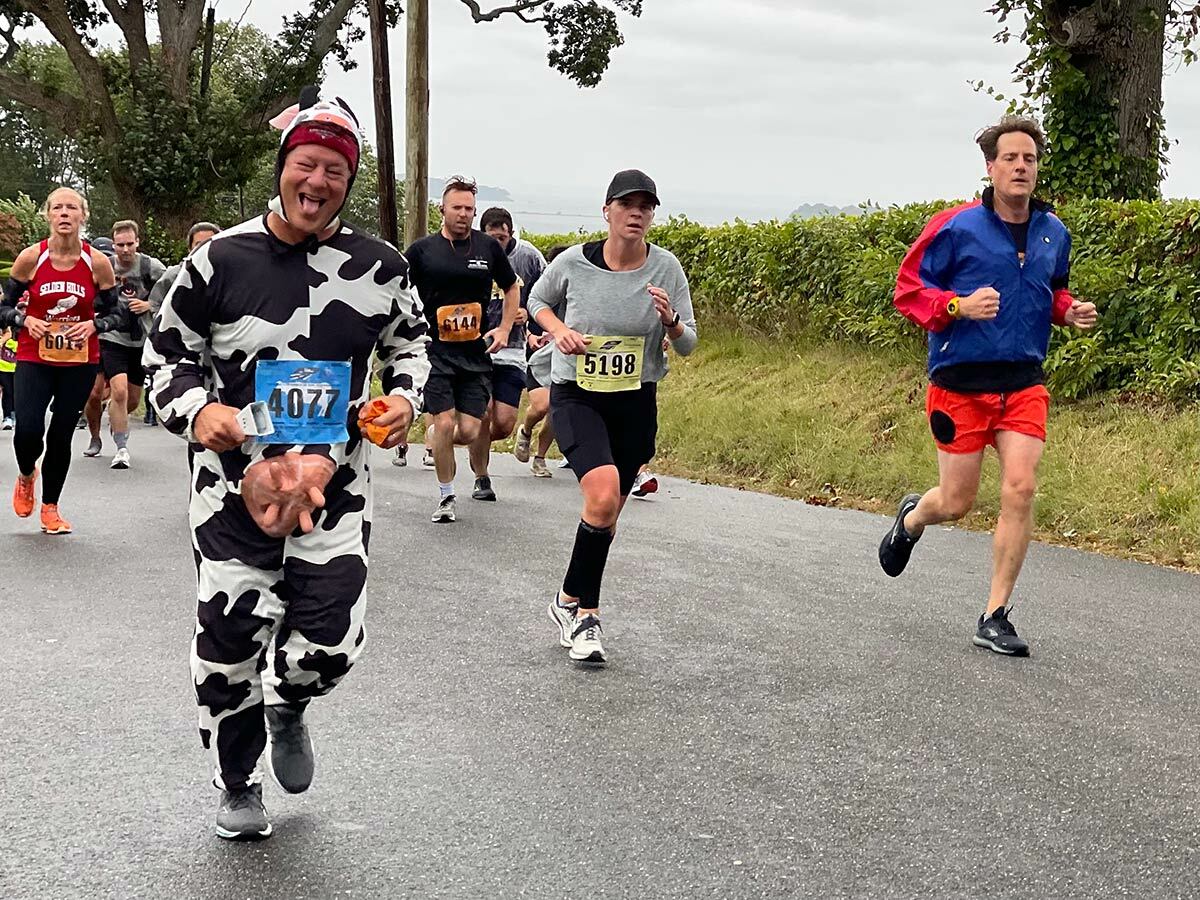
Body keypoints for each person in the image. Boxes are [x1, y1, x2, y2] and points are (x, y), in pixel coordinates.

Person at [144, 88, 429, 841]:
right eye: (306, 164)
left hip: (334, 485)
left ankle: (292, 701)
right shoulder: (216, 262)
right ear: (283, 169)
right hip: (234, 490)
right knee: (228, 643)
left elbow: (410, 346)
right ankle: (238, 782)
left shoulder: (382, 267)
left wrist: (403, 401)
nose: (318, 182)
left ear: (349, 181)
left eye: (335, 170)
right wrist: (199, 412)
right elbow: (166, 359)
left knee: (331, 645)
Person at [878, 116, 1098, 658]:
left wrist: (1067, 312)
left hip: (1023, 383)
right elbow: (908, 291)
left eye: (1030, 159)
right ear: (990, 168)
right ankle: (913, 519)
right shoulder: (955, 228)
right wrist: (957, 306)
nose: (1021, 166)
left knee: (1021, 487)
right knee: (956, 502)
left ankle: (995, 614)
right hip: (961, 384)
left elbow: (1052, 291)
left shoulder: (1054, 233)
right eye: (1011, 158)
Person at [528, 169, 697, 664]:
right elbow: (538, 300)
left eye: (646, 207)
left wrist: (670, 321)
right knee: (601, 497)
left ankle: (566, 601)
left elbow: (689, 344)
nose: (637, 214)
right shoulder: (572, 263)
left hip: (634, 398)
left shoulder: (666, 269)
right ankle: (587, 617)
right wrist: (558, 328)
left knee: (607, 516)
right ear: (607, 212)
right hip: (577, 394)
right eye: (627, 205)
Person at [0, 187, 124, 534]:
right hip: (33, 355)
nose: (65, 213)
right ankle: (27, 475)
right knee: (28, 429)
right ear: (49, 215)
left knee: (60, 435)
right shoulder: (30, 258)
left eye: (72, 207)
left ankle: (50, 508)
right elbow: (2, 310)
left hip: (80, 360)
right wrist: (24, 320)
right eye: (58, 208)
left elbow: (117, 313)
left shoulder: (97, 263)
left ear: (83, 216)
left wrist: (93, 324)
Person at [403, 176, 519, 523]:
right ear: (443, 209)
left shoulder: (488, 248)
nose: (464, 215)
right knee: (443, 421)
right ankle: (445, 495)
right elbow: (396, 288)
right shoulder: (422, 250)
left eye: (469, 209)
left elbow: (511, 288)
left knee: (468, 430)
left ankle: (447, 448)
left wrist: (505, 328)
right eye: (457, 208)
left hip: (474, 353)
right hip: (435, 352)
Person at [455, 206, 548, 498]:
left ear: (511, 233)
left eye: (503, 238)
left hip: (513, 350)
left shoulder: (530, 258)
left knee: (504, 423)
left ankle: (461, 438)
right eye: (492, 238)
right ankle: (482, 478)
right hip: (476, 349)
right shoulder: (468, 255)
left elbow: (546, 297)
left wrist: (527, 316)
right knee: (482, 412)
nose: (498, 244)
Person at [82, 219, 165, 467]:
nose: (125, 249)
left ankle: (116, 417)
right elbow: (84, 292)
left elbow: (177, 290)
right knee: (110, 391)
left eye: (130, 244)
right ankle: (116, 446)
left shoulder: (152, 267)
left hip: (140, 339)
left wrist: (150, 305)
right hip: (110, 336)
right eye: (120, 245)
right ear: (114, 244)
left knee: (129, 400)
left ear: (137, 242)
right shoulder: (103, 266)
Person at [145, 223, 221, 426]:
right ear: (189, 248)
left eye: (210, 243)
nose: (203, 248)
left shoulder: (231, 274)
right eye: (198, 244)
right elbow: (155, 303)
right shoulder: (175, 274)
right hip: (186, 348)